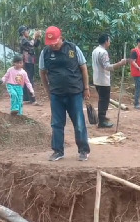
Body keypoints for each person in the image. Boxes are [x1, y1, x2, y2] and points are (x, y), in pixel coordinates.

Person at [39, 26, 90, 162]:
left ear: (61, 37)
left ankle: (83, 150)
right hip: (56, 94)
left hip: (75, 93)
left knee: (79, 123)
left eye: (55, 41)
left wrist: (86, 88)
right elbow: (42, 72)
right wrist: (48, 91)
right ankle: (58, 151)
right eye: (50, 43)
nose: (53, 45)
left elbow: (83, 68)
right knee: (56, 123)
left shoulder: (73, 48)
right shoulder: (45, 53)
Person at [92, 33, 127, 128]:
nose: (110, 43)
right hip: (103, 80)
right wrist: (120, 63)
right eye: (109, 41)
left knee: (102, 99)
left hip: (97, 79)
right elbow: (107, 67)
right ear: (106, 41)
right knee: (104, 100)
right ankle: (102, 120)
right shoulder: (103, 52)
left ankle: (102, 118)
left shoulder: (95, 50)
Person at [18, 25, 41, 105]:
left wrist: (37, 38)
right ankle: (32, 100)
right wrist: (34, 37)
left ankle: (26, 99)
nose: (28, 32)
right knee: (29, 79)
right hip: (26, 61)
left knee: (27, 79)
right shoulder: (23, 40)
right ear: (22, 32)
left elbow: (36, 45)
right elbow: (31, 44)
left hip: (29, 61)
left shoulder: (25, 40)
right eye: (26, 31)